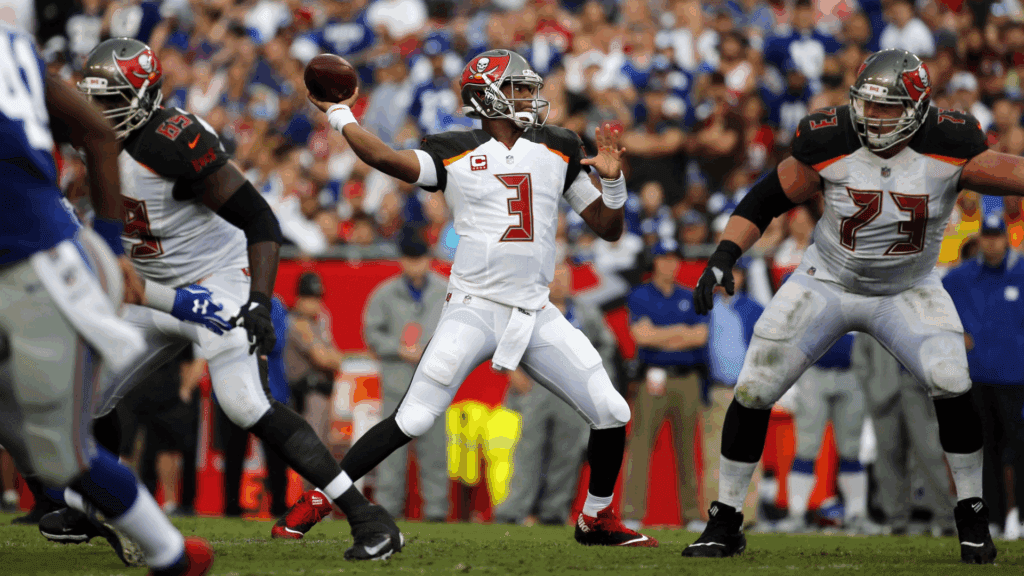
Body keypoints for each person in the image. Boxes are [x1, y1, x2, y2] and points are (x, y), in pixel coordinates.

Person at [39, 38, 403, 562]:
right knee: (87, 397)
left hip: (216, 279)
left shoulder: (170, 141)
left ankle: (369, 519)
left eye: (110, 100)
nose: (96, 112)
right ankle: (90, 505)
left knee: (243, 402)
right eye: (92, 99)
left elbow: (260, 220)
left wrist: (257, 300)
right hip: (146, 284)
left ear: (143, 99)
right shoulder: (84, 136)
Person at [305, 48, 657, 548]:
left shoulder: (559, 145)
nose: (530, 97)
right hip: (473, 305)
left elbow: (607, 228)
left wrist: (614, 182)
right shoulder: (453, 148)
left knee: (612, 412)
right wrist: (339, 114)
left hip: (535, 309)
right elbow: (385, 158)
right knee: (414, 417)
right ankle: (322, 498)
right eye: (517, 88)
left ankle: (596, 518)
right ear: (488, 96)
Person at [684, 49, 1024, 564]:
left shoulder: (951, 142)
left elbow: (1010, 172)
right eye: (866, 104)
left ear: (918, 108)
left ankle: (972, 519)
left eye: (887, 108)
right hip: (827, 279)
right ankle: (725, 520)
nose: (873, 116)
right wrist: (723, 255)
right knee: (755, 386)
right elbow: (766, 198)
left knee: (952, 380)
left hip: (908, 286)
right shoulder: (829, 137)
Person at [0, 22, 212, 575]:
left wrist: (111, 247)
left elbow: (97, 134)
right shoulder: (15, 45)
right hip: (43, 254)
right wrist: (110, 247)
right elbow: (96, 132)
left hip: (26, 261)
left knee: (67, 449)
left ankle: (163, 551)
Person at [493, 261, 616, 526]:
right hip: (537, 386)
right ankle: (515, 509)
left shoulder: (585, 311)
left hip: (573, 391)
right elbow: (504, 342)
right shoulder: (529, 309)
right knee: (528, 451)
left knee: (568, 452)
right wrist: (512, 370)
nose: (559, 283)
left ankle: (553, 511)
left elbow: (606, 346)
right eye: (553, 278)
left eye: (564, 277)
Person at [942, 213, 1024, 536]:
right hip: (978, 375)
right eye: (986, 237)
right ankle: (993, 517)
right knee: (985, 450)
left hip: (1016, 376)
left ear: (1006, 238)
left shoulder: (1021, 274)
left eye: (996, 236)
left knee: (1018, 448)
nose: (991, 243)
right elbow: (933, 304)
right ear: (980, 240)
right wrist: (954, 332)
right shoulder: (961, 277)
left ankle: (1019, 516)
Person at [362, 228, 450, 522]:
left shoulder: (445, 290)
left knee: (436, 450)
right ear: (402, 260)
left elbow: (459, 330)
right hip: (397, 383)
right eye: (411, 259)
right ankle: (387, 511)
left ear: (429, 259)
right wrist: (399, 349)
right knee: (391, 455)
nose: (416, 264)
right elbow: (371, 333)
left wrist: (433, 349)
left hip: (434, 382)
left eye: (420, 258)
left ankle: (437, 513)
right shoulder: (385, 293)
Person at [622, 239, 709, 532]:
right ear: (654, 262)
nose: (670, 264)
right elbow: (642, 336)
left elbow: (700, 336)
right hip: (653, 377)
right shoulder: (640, 294)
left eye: (674, 259)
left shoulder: (691, 294)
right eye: (664, 259)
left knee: (688, 448)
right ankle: (631, 512)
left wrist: (663, 335)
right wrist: (679, 332)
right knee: (641, 445)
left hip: (687, 377)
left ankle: (693, 514)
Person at [851, 333, 955, 536]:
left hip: (918, 388)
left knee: (930, 453)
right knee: (888, 455)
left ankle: (947, 518)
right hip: (882, 392)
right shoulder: (872, 306)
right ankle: (896, 518)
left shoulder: (921, 306)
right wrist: (871, 387)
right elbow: (859, 355)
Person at [775, 334, 875, 534]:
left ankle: (857, 514)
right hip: (813, 370)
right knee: (806, 446)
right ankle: (796, 515)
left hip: (852, 371)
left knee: (851, 448)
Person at [705, 257, 764, 523]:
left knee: (748, 456)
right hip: (717, 388)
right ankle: (713, 513)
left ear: (743, 277)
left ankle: (747, 516)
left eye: (736, 273)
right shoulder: (706, 307)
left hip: (746, 391)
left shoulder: (754, 308)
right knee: (713, 455)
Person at [284, 272, 343, 449]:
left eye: (317, 298)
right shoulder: (296, 322)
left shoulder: (317, 323)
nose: (315, 303)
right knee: (311, 453)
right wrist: (329, 356)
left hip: (323, 392)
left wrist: (330, 356)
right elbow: (323, 358)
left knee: (324, 453)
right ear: (299, 298)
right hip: (305, 395)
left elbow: (338, 359)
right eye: (310, 298)